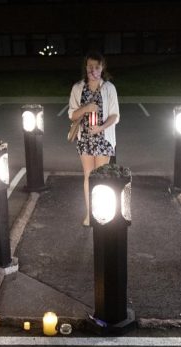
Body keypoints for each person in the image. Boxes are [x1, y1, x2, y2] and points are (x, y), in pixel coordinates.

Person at [68, 51, 120, 227]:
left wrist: (101, 127)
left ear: (102, 67)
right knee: (88, 176)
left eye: (97, 66)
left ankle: (102, 212)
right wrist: (86, 108)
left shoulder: (109, 88)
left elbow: (115, 116)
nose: (93, 70)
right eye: (90, 66)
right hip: (85, 139)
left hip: (103, 138)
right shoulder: (77, 88)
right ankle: (90, 214)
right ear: (86, 67)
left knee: (102, 177)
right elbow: (72, 115)